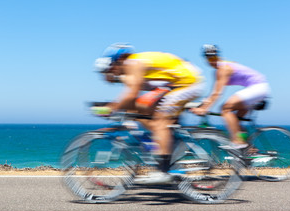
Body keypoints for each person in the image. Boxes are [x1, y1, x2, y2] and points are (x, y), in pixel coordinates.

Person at [93, 43, 204, 183]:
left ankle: (164, 171)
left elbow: (131, 94)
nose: (111, 72)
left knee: (160, 121)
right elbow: (131, 100)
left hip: (187, 83)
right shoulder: (129, 69)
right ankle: (168, 148)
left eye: (111, 67)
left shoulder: (133, 63)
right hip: (176, 83)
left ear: (119, 60)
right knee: (141, 110)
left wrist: (111, 108)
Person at [191, 44, 271, 149]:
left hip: (258, 88)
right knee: (236, 123)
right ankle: (250, 151)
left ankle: (238, 142)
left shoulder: (223, 69)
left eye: (213, 57)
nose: (212, 60)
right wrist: (204, 104)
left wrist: (204, 109)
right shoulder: (224, 66)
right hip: (259, 89)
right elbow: (213, 93)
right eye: (209, 57)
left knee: (226, 108)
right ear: (206, 59)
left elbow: (217, 93)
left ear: (217, 56)